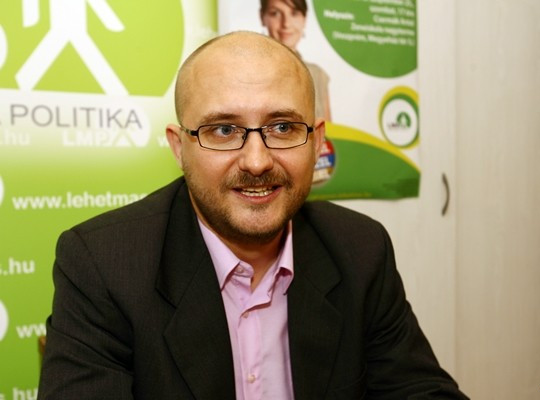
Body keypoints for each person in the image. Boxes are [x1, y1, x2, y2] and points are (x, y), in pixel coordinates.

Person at [38, 31, 467, 399]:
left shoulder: (361, 249)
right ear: (179, 147)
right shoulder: (103, 265)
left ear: (316, 141)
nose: (257, 161)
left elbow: (419, 390)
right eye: (224, 130)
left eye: (283, 127)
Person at [260, 0, 332, 122]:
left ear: (304, 19)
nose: (286, 24)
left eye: (294, 13)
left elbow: (327, 130)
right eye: (275, 13)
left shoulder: (317, 75)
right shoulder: (250, 71)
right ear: (262, 17)